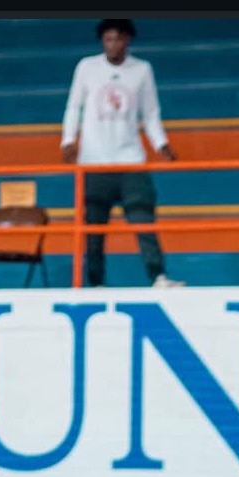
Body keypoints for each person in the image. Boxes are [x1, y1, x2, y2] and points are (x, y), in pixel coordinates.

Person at [61, 18, 183, 290]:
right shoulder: (87, 67)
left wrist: (161, 143)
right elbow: (73, 107)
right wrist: (68, 140)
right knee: (93, 229)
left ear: (127, 40)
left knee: (144, 221)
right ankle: (95, 284)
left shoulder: (141, 70)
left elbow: (150, 113)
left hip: (130, 161)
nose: (112, 45)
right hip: (93, 163)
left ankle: (158, 277)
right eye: (107, 39)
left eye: (117, 39)